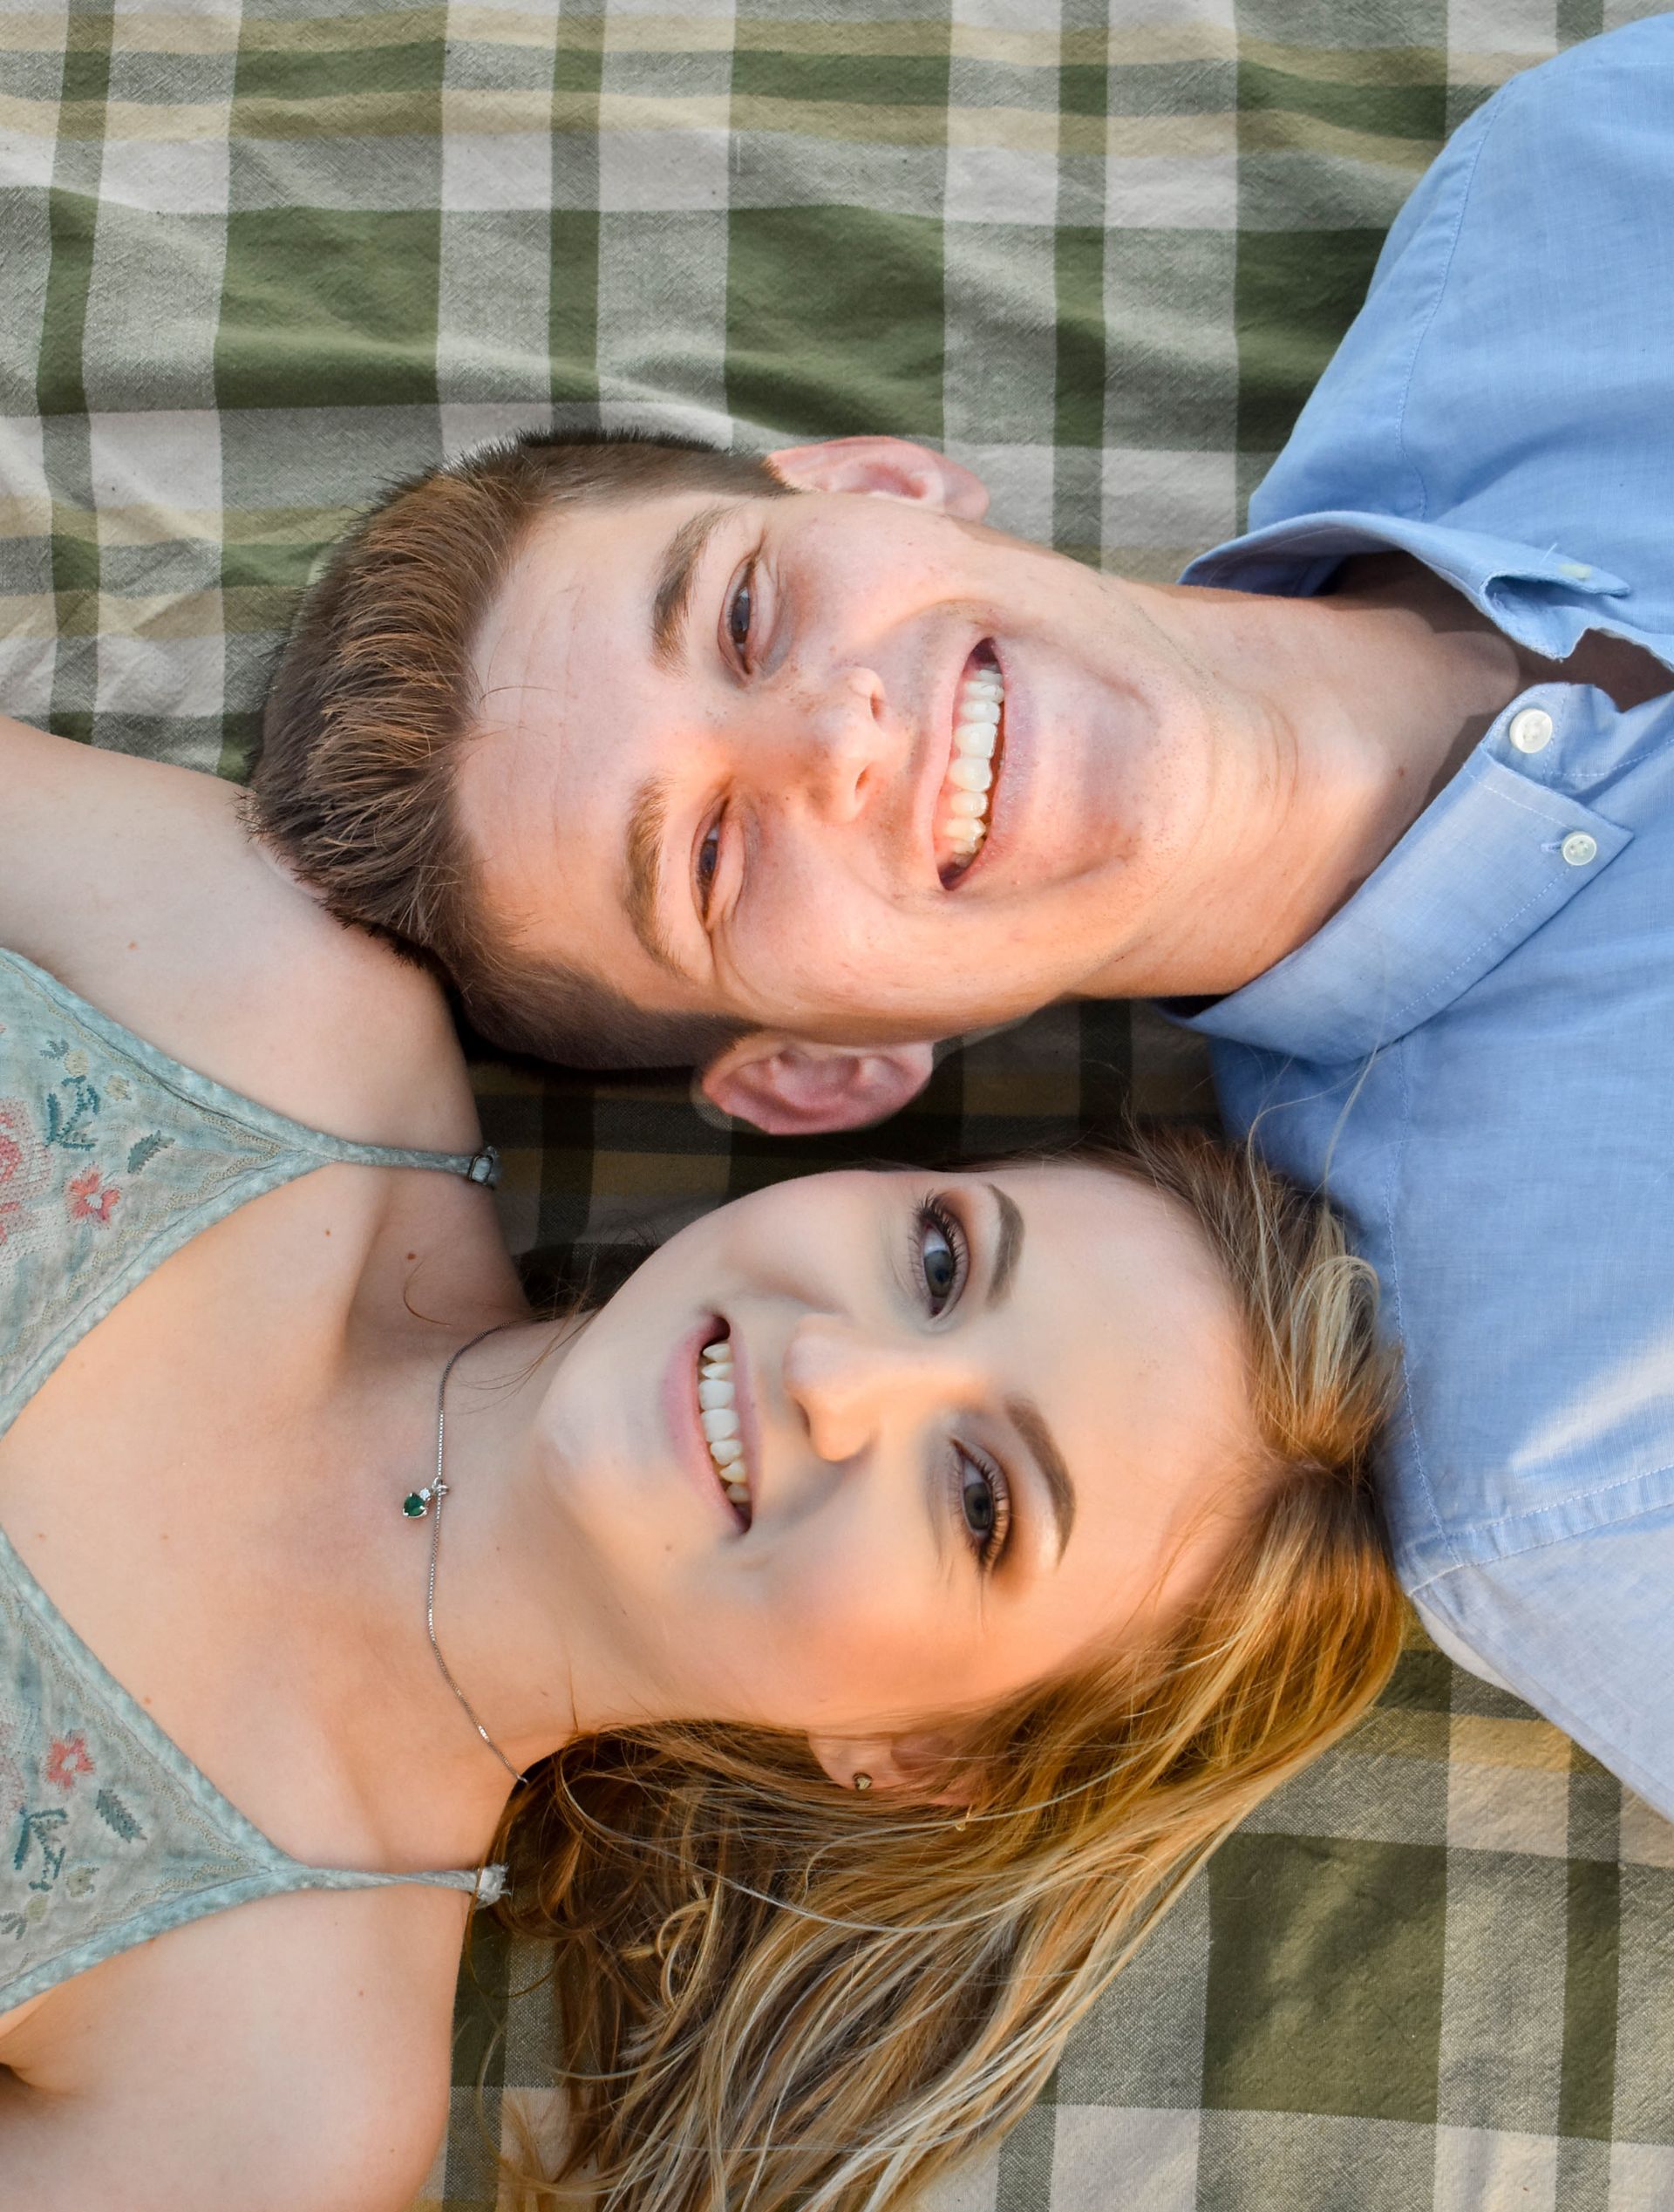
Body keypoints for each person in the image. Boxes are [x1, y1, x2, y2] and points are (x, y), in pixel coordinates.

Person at [253, 17, 1674, 1827]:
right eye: (711, 859)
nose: (836, 739)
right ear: (825, 1071)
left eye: (747, 617)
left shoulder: (1581, 193)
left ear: (879, 483)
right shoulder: (1573, 1453)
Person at [0, 711, 1400, 2212]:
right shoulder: (265, 989)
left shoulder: (262, 2101)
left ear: (917, 1748)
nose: (836, 1369)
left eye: (978, 1497)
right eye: (941, 1260)